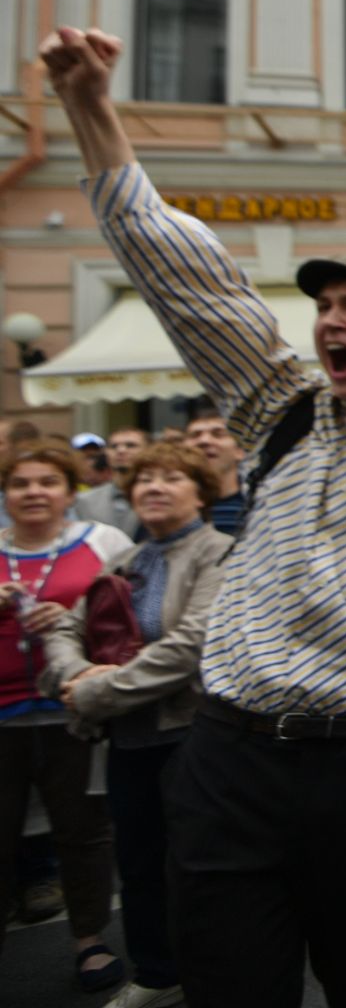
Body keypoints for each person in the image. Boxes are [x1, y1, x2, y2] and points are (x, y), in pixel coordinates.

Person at [39, 25, 346, 1008]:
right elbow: (185, 272)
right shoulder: (278, 406)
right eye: (323, 307)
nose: (329, 321)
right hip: (230, 755)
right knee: (229, 984)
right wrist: (93, 109)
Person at [29, 441, 232, 1008]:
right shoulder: (125, 560)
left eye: (171, 477)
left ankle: (219, 973)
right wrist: (76, 674)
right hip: (129, 740)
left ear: (201, 491)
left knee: (200, 863)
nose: (154, 487)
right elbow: (66, 631)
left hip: (196, 735)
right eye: (144, 480)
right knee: (139, 865)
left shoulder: (220, 552)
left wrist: (95, 691)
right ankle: (158, 972)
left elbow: (190, 647)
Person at [0, 440, 136, 993]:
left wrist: (76, 616)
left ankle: (89, 939)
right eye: (21, 484)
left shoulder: (105, 542)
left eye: (48, 482)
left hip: (74, 712)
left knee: (83, 833)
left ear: (70, 491)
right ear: (5, 494)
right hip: (1, 716)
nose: (34, 493)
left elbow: (134, 615)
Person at [181, 407, 247, 536]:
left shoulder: (258, 502)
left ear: (239, 451)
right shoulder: (165, 505)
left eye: (218, 434)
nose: (204, 441)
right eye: (195, 435)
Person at [75, 427, 147, 538]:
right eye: (113, 446)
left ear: (148, 450)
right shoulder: (84, 500)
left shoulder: (158, 495)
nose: (121, 450)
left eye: (131, 445)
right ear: (106, 453)